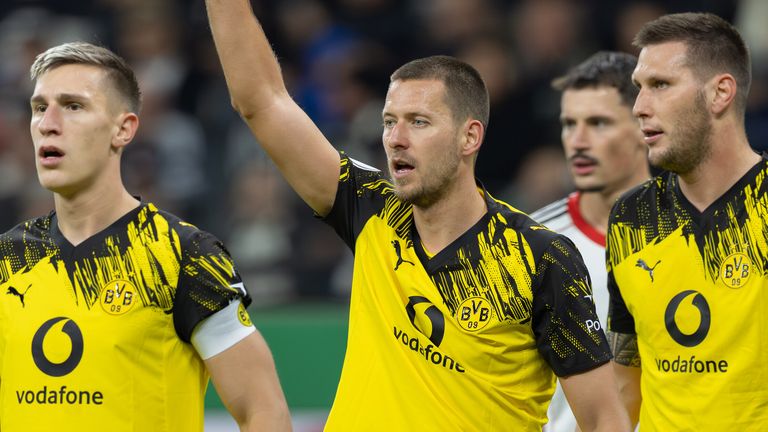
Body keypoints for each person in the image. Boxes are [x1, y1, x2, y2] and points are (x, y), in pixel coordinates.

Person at [205, 1, 630, 430]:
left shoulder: (540, 257)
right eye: (389, 122)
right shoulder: (370, 209)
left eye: (419, 122)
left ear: (470, 136)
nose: (395, 139)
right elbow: (261, 99)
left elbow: (602, 420)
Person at [0, 42, 291, 431]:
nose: (48, 123)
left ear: (123, 129)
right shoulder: (8, 258)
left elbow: (264, 410)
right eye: (39, 107)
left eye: (73, 106)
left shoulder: (183, 254)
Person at [606, 12, 768, 430]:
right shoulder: (631, 218)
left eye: (660, 85)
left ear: (720, 93)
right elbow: (626, 378)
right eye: (638, 89)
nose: (639, 107)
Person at [530, 51, 650, 432]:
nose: (578, 141)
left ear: (645, 127)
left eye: (598, 123)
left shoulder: (695, 235)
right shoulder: (531, 244)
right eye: (569, 124)